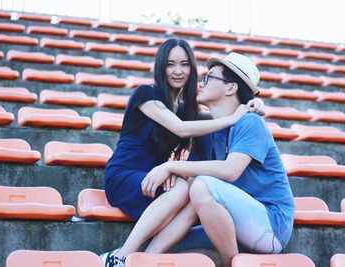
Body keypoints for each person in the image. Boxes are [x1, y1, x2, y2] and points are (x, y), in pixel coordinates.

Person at [101, 39, 265, 267]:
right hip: (124, 176)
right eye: (170, 64)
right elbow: (180, 127)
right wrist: (233, 117)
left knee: (195, 192)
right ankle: (119, 256)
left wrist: (254, 104)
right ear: (161, 67)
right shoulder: (146, 94)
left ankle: (147, 258)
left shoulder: (188, 109)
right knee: (183, 188)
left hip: (156, 179)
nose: (178, 71)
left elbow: (218, 118)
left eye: (185, 64)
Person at [139, 52, 295, 267]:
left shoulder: (251, 123)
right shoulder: (208, 131)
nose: (201, 84)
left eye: (209, 78)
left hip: (270, 226)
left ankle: (231, 264)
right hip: (231, 219)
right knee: (170, 243)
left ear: (231, 88)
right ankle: (143, 260)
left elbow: (231, 170)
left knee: (203, 186)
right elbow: (190, 182)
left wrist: (170, 165)